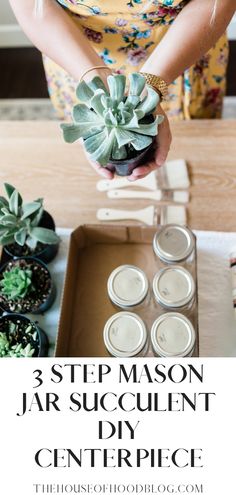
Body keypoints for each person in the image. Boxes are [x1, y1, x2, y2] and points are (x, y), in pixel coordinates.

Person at [9, 0, 236, 180]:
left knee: (200, 148)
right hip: (74, 51)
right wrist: (93, 77)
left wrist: (153, 85)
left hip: (185, 44)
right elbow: (33, 5)